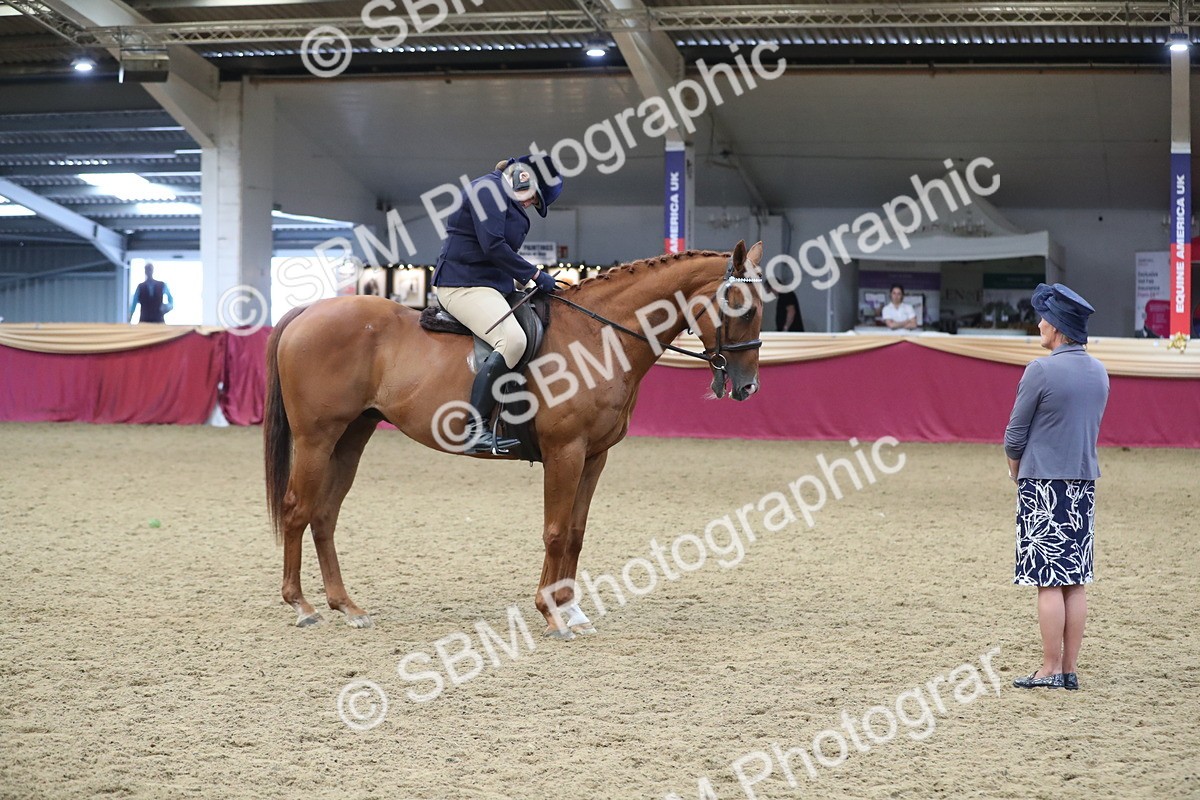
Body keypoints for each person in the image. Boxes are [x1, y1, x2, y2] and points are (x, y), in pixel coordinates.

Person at [1004, 283, 1109, 691]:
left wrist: (1016, 471)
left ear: (1059, 327)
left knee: (1047, 580)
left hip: (1043, 485)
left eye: (1044, 317)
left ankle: (1048, 668)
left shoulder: (1040, 370)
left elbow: (1015, 435)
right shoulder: (1099, 372)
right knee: (1075, 580)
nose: (1039, 323)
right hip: (1083, 483)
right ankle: (1068, 668)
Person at [432, 155, 563, 454]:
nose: (530, 204)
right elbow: (492, 245)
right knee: (513, 340)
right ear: (523, 178)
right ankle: (472, 429)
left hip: (490, 286)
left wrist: (524, 282)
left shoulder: (503, 198)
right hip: (462, 285)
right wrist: (533, 273)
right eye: (534, 198)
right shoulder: (486, 192)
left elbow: (497, 253)